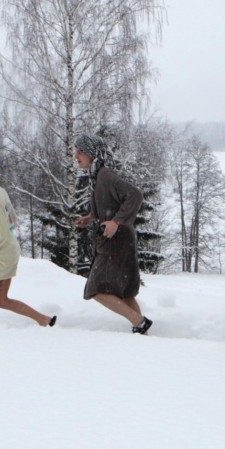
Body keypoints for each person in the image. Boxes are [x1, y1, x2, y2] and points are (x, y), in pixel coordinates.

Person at [73, 133, 152, 334]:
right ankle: (145, 335)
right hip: (122, 239)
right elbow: (110, 204)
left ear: (92, 153)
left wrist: (116, 222)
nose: (76, 156)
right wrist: (91, 217)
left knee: (95, 289)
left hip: (115, 241)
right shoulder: (97, 177)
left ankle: (140, 322)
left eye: (80, 151)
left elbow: (134, 195)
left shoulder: (105, 176)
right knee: (124, 293)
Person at [0, 159, 56, 327]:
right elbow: (13, 219)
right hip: (9, 249)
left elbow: (2, 233)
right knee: (1, 300)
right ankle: (44, 320)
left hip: (1, 253)